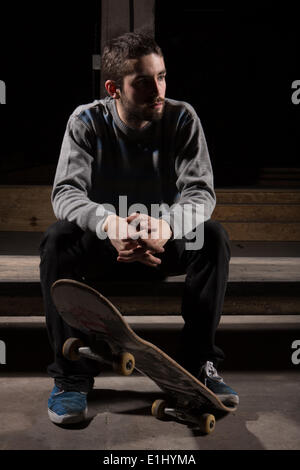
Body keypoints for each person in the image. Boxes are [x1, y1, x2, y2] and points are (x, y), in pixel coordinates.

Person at [40, 31, 239, 425]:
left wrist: (165, 226)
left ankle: (200, 364)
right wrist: (108, 223)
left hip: (162, 244)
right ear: (115, 88)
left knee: (213, 237)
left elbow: (201, 193)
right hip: (105, 247)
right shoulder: (86, 121)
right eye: (145, 82)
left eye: (162, 76)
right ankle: (71, 376)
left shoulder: (182, 118)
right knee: (57, 239)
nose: (158, 89)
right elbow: (64, 193)